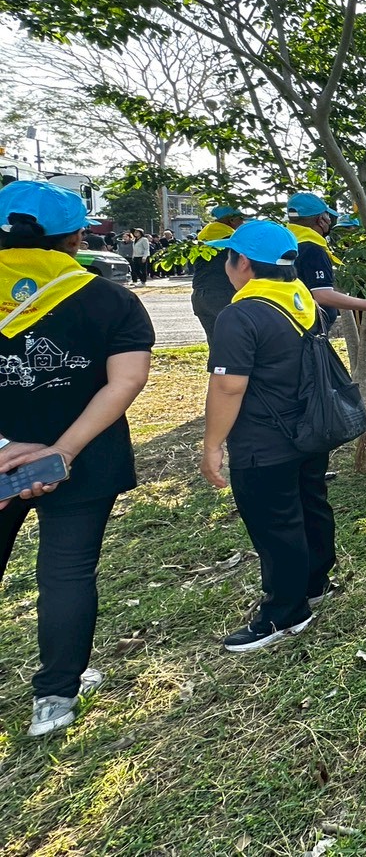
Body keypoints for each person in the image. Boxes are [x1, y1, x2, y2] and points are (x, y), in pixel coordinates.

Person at [0, 181, 154, 736]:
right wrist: (62, 450)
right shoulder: (110, 299)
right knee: (66, 571)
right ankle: (56, 696)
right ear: (76, 236)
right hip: (83, 461)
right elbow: (127, 380)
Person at [199, 220, 338, 651]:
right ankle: (315, 582)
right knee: (311, 504)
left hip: (262, 442)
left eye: (229, 255)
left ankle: (286, 612)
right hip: (310, 430)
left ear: (242, 263)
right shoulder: (305, 303)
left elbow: (228, 386)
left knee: (276, 525)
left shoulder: (241, 314)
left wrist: (212, 443)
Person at [285, 193, 366, 329]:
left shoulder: (287, 244)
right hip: (305, 328)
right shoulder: (312, 249)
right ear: (321, 220)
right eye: (327, 216)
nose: (330, 221)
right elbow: (322, 295)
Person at [192, 204, 247, 344]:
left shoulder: (202, 241)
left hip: (200, 296)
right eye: (241, 218)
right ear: (232, 220)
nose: (243, 222)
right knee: (235, 343)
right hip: (223, 294)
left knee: (215, 343)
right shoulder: (233, 241)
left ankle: (215, 366)